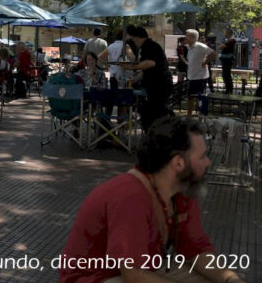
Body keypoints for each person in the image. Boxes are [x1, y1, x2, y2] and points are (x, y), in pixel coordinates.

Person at [61, 116, 245, 283]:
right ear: (178, 163)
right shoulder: (131, 197)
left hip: (137, 271)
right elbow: (133, 275)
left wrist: (230, 279)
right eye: (202, 156)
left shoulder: (182, 190)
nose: (208, 163)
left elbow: (196, 248)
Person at [118, 26, 173, 132]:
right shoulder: (148, 46)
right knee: (148, 110)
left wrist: (131, 67)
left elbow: (149, 63)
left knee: (156, 111)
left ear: (137, 38)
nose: (134, 41)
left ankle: (158, 133)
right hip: (154, 84)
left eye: (134, 39)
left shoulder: (150, 46)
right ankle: (152, 133)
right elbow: (145, 70)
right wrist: (134, 79)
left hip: (160, 84)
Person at [185, 29, 214, 116]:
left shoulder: (200, 46)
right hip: (191, 76)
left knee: (201, 98)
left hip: (200, 77)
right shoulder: (189, 47)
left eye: (187, 36)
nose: (185, 37)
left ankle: (203, 117)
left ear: (194, 38)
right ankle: (189, 116)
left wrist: (205, 62)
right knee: (190, 97)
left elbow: (213, 53)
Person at [217, 28, 236, 94]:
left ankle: (229, 90)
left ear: (228, 33)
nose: (224, 34)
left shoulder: (231, 40)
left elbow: (222, 46)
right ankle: (228, 89)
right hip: (225, 59)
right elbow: (223, 46)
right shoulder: (228, 40)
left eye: (225, 32)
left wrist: (219, 46)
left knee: (226, 75)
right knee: (225, 74)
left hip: (227, 60)